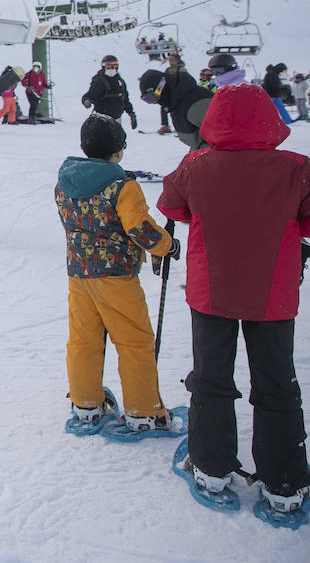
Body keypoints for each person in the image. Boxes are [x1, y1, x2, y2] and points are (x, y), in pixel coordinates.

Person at [157, 83, 310, 519]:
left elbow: (173, 207)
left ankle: (210, 467)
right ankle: (285, 482)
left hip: (213, 291)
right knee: (277, 379)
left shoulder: (195, 165)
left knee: (211, 375)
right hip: (273, 294)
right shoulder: (297, 168)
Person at [56, 114, 181, 436]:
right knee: (134, 341)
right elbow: (140, 229)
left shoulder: (65, 182)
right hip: (116, 275)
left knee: (84, 340)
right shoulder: (122, 186)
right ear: (118, 151)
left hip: (79, 273)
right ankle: (143, 411)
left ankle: (86, 403)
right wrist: (166, 246)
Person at [138, 64, 213, 151]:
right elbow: (198, 143)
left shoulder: (197, 102)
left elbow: (223, 140)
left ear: (161, 87)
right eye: (148, 100)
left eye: (151, 98)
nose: (154, 103)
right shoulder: (177, 104)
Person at [83, 54, 138, 128]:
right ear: (104, 67)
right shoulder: (99, 81)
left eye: (114, 66)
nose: (111, 68)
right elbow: (90, 95)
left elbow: (125, 100)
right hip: (102, 118)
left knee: (117, 138)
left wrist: (131, 114)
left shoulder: (120, 82)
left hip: (117, 118)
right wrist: (86, 101)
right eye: (109, 66)